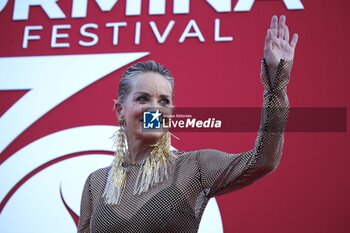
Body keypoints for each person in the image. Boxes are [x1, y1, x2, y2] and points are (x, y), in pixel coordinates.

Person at [77, 15, 298, 233]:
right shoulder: (96, 183)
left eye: (164, 100)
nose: (155, 109)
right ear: (120, 111)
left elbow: (262, 160)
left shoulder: (194, 166)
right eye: (143, 99)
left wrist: (276, 84)